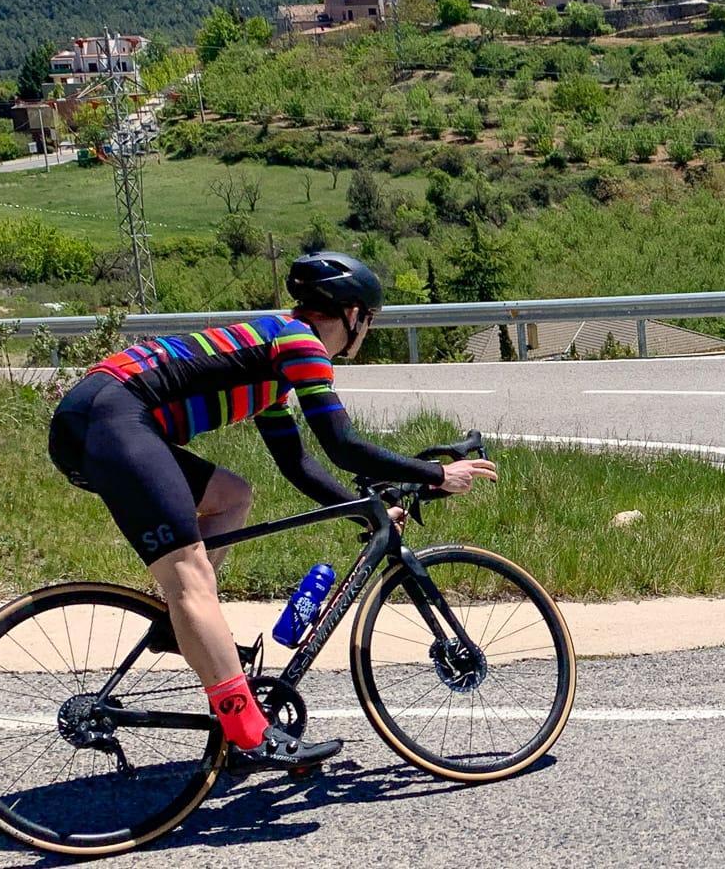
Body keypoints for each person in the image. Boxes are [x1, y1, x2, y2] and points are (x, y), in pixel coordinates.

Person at [47, 251, 496, 771]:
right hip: (111, 419)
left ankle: (182, 626)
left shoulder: (273, 359)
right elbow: (343, 445)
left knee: (232, 496)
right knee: (189, 580)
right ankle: (247, 730)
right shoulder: (300, 343)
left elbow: (299, 465)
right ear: (352, 315)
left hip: (102, 415)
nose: (367, 330)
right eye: (369, 320)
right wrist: (438, 475)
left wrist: (364, 512)